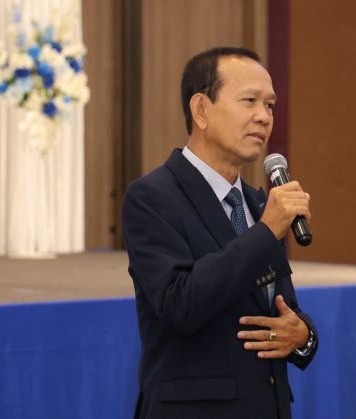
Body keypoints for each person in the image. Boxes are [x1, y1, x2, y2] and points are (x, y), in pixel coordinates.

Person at [122, 46, 318, 419]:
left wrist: (303, 335)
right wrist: (265, 233)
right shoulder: (152, 197)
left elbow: (283, 311)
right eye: (249, 101)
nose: (263, 116)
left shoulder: (259, 204)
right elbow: (178, 306)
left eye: (270, 105)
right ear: (201, 110)